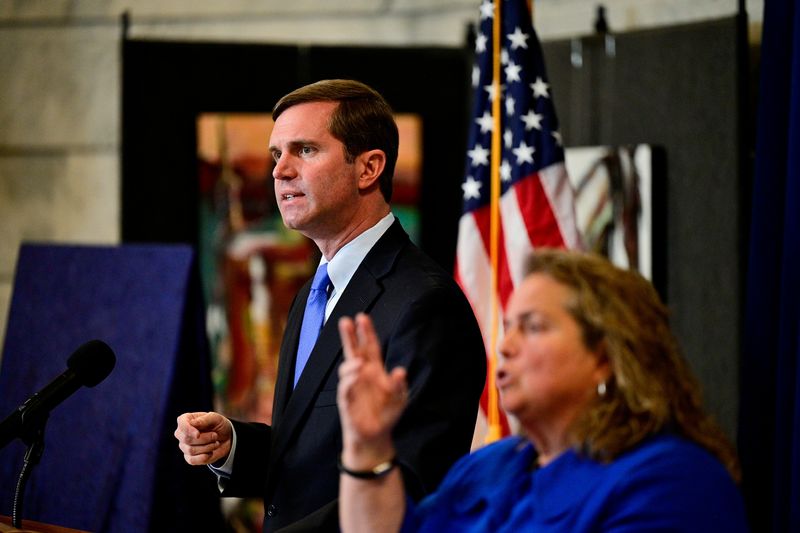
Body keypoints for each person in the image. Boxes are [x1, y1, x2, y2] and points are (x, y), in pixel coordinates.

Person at [174, 79, 486, 532]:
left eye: (304, 150)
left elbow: (412, 486)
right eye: (276, 154)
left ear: (368, 168)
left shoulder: (425, 304)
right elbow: (312, 452)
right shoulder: (314, 292)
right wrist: (235, 446)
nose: (280, 171)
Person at [337, 249, 749, 532]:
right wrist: (368, 446)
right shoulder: (490, 466)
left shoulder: (671, 481)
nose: (504, 346)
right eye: (508, 326)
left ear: (607, 355)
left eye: (532, 327)